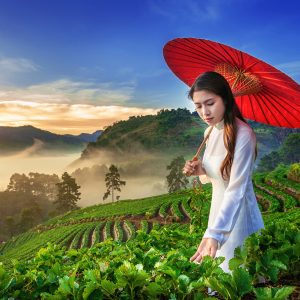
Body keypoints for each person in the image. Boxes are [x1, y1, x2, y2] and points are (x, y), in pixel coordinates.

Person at [182, 71, 265, 275]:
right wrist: (199, 169)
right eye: (198, 106)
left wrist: (215, 234)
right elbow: (216, 176)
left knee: (239, 276)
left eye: (210, 103)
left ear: (225, 99)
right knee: (220, 279)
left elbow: (236, 188)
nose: (204, 112)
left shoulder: (244, 135)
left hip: (238, 213)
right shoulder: (209, 132)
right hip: (218, 210)